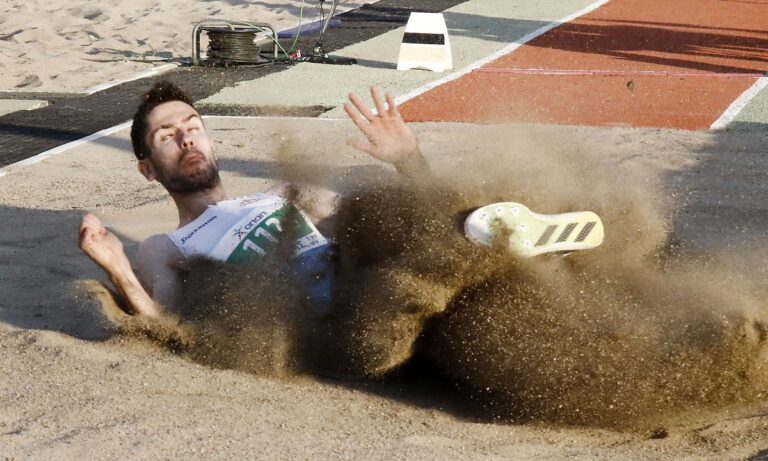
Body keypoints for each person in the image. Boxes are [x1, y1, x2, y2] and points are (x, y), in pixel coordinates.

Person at [78, 81, 604, 319]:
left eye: (193, 127)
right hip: (320, 312)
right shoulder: (164, 245)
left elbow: (380, 223)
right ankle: (500, 253)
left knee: (378, 211)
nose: (187, 138)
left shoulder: (277, 194)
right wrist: (120, 270)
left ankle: (517, 251)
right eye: (167, 135)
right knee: (410, 289)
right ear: (147, 169)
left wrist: (407, 158)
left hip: (361, 272)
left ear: (211, 140)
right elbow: (167, 325)